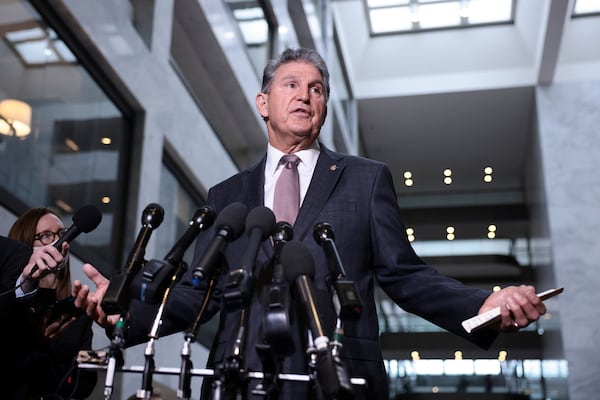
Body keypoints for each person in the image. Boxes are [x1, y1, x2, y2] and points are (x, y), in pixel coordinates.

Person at [74, 48, 547, 400]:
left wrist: (483, 302)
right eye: (291, 85)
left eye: (316, 88)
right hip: (240, 377)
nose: (305, 95)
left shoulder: (365, 179)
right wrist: (126, 314)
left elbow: (404, 274)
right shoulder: (226, 195)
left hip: (337, 375)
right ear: (263, 103)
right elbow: (202, 292)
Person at [2, 207, 97, 399]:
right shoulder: (8, 298)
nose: (57, 241)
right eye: (45, 235)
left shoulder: (76, 314)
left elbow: (83, 383)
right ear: (24, 243)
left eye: (62, 234)